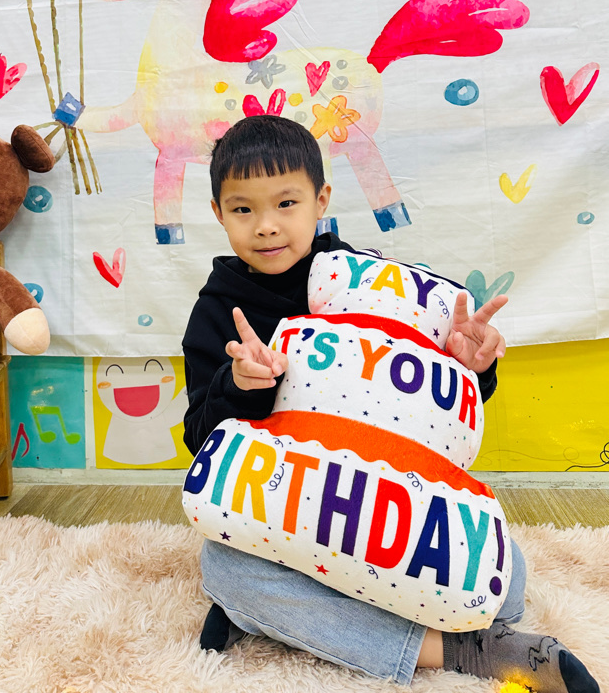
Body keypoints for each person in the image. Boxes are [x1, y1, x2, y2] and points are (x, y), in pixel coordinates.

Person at [182, 115, 598, 693]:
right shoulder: (216, 311)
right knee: (223, 567)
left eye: (286, 203)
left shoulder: (368, 282)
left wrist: (473, 366)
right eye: (243, 209)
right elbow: (200, 441)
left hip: (380, 498)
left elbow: (435, 406)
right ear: (218, 212)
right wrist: (239, 385)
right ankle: (459, 651)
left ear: (321, 200)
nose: (267, 225)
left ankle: (280, 617)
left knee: (507, 586)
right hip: (283, 502)